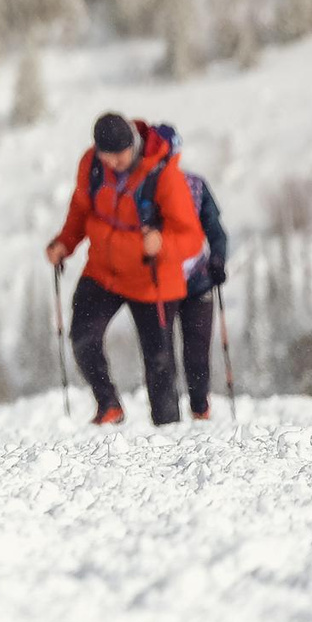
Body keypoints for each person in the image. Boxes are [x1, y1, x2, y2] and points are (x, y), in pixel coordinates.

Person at [45, 112, 204, 426]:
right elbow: (80, 208)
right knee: (82, 337)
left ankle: (168, 432)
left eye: (121, 154)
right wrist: (65, 242)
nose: (115, 162)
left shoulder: (163, 175)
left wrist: (161, 244)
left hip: (152, 280)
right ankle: (109, 405)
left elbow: (192, 238)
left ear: (134, 144)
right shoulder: (91, 165)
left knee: (159, 362)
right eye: (109, 156)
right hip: (104, 271)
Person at [174, 162, 230, 421]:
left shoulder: (195, 185)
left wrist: (218, 259)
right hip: (162, 284)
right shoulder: (145, 186)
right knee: (161, 354)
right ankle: (167, 415)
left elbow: (215, 230)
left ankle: (200, 409)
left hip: (198, 281)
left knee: (196, 352)